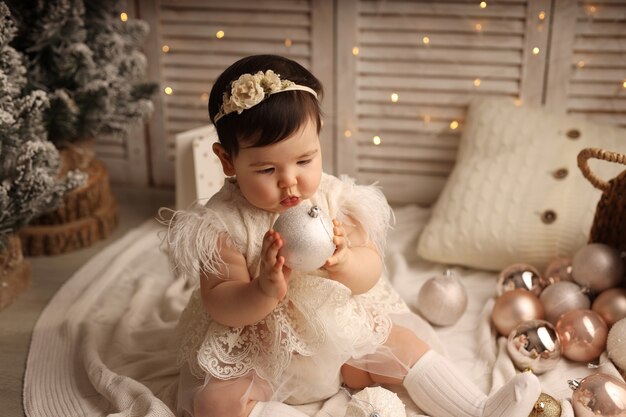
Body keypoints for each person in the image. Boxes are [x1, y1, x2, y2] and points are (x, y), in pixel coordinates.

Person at [164, 54, 541, 417]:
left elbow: (370, 272)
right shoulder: (223, 223)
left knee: (403, 347)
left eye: (304, 160)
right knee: (214, 404)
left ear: (319, 141)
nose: (289, 180)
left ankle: (478, 408)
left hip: (337, 331)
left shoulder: (334, 198)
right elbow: (221, 303)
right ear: (228, 160)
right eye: (266, 169)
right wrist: (261, 289)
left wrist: (346, 262)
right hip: (260, 347)